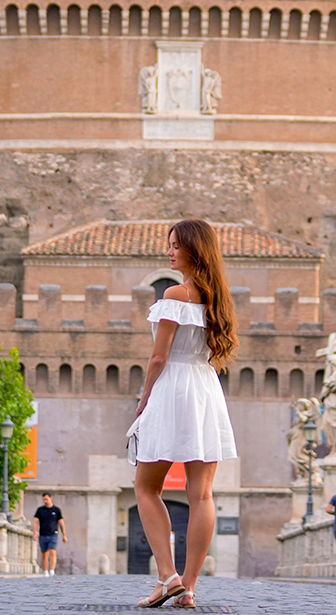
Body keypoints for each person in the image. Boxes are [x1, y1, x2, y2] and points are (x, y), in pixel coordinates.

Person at [129, 218, 239, 609]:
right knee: (202, 494)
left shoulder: (175, 294)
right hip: (206, 389)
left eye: (176, 245)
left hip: (172, 387)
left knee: (145, 486)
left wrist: (143, 401)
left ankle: (167, 575)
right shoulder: (219, 299)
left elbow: (158, 357)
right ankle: (188, 588)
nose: (170, 251)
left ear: (194, 248)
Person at [33, 492, 65, 576]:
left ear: (51, 498)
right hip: (43, 534)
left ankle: (52, 570)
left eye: (46, 499)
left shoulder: (56, 510)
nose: (45, 501)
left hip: (53, 534)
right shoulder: (40, 510)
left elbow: (61, 522)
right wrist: (34, 533)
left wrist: (64, 534)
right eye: (43, 499)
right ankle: (45, 570)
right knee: (44, 553)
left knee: (52, 551)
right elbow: (35, 521)